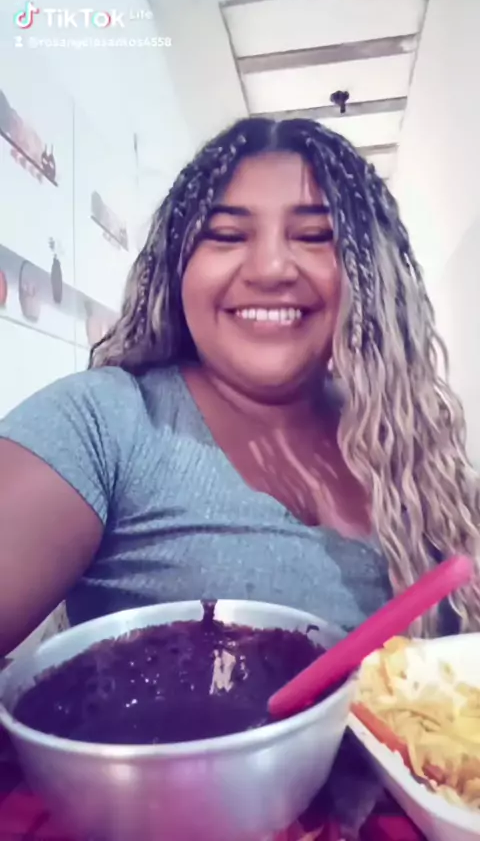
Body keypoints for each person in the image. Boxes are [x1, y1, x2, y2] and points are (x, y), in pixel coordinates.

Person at [1, 117, 479, 657]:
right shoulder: (101, 423)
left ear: (367, 275)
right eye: (227, 236)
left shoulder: (409, 442)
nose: (271, 268)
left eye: (315, 237)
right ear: (177, 266)